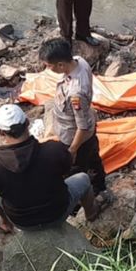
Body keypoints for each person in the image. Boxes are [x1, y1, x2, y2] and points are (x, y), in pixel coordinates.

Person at [0, 104, 99, 228]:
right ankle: (92, 214)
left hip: (21, 222)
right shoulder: (53, 150)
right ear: (27, 122)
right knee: (83, 178)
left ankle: (4, 222)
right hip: (57, 214)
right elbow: (67, 169)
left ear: (1, 132)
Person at [40, 38, 107, 195]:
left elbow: (82, 126)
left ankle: (83, 197)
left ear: (61, 65)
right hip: (83, 125)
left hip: (74, 136)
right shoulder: (79, 61)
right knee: (93, 158)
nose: (47, 68)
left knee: (76, 169)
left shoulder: (76, 93)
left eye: (49, 66)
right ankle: (99, 184)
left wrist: (72, 150)